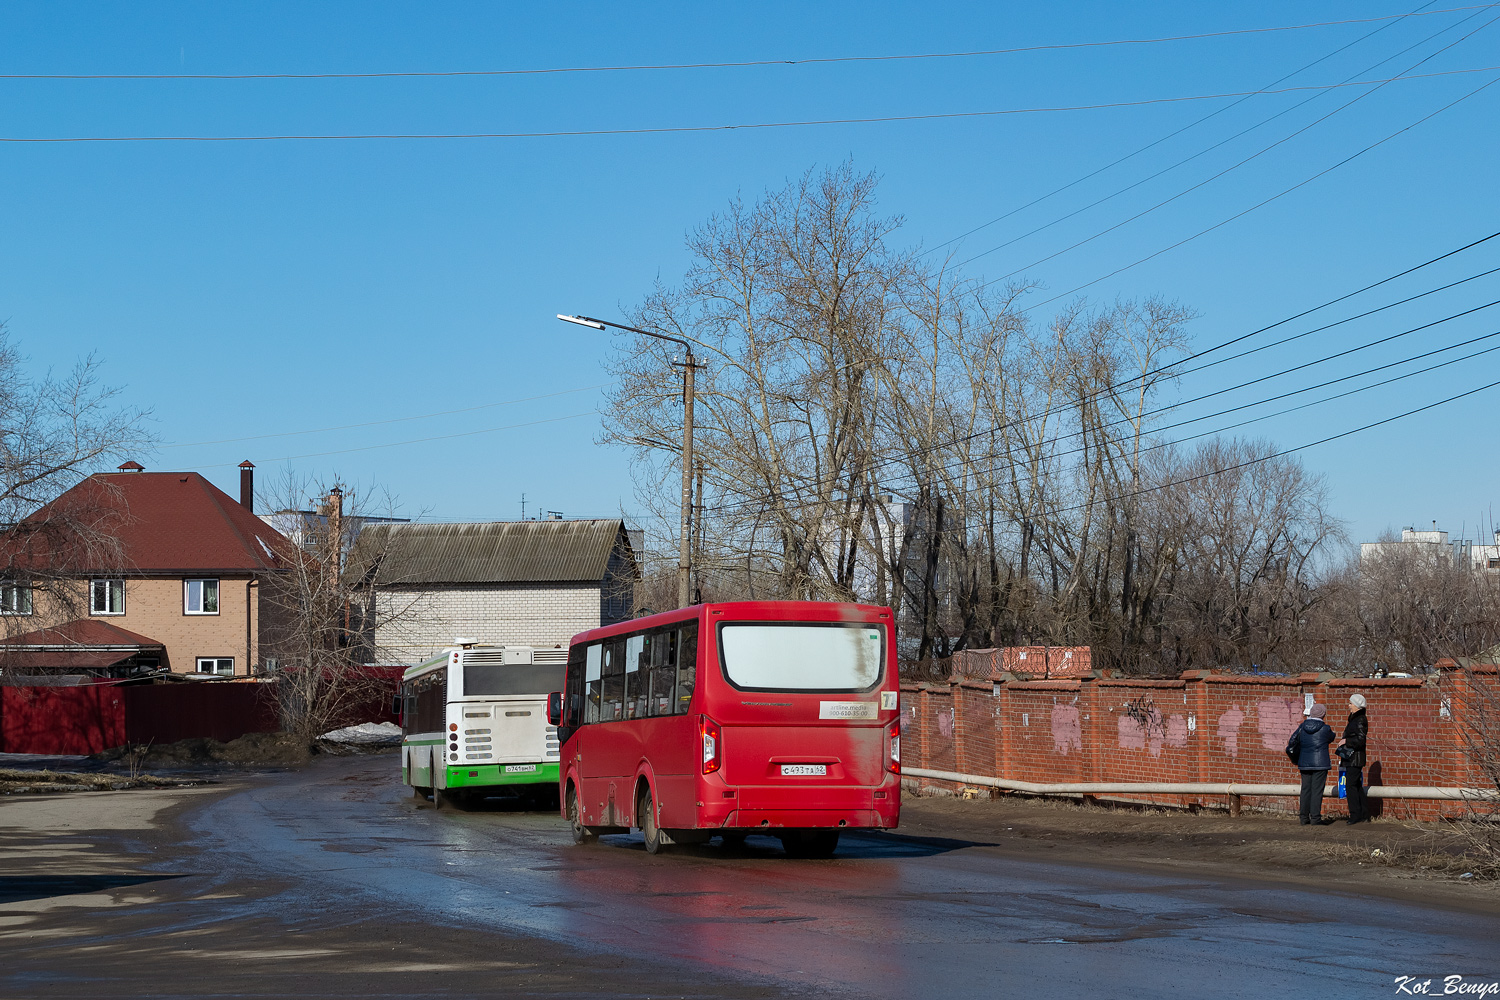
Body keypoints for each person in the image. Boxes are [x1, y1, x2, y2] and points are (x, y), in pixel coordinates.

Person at [1286, 703, 1336, 825]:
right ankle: (1315, 818)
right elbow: (1332, 737)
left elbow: (1292, 741)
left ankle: (1303, 818)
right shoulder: (1325, 729)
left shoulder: (1302, 727)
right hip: (1320, 763)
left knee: (1305, 790)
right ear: (1323, 715)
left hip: (1304, 762)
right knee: (1317, 791)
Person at [1337, 693, 1370, 824]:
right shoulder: (1354, 718)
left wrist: (1346, 741)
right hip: (1352, 757)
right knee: (1356, 786)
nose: (1349, 705)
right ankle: (1364, 813)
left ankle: (1355, 815)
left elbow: (1361, 740)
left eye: (1351, 703)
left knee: (1350, 786)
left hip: (1355, 758)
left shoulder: (1360, 719)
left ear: (1357, 705)